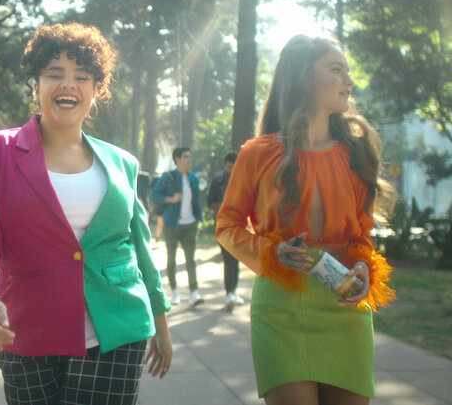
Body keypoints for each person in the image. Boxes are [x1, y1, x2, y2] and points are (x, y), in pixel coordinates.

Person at [0, 22, 172, 405]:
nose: (68, 84)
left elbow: (139, 246)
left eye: (81, 76)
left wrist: (161, 322)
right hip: (26, 329)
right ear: (35, 84)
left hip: (118, 329)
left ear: (96, 90)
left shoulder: (122, 162)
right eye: (55, 74)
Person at [215, 34, 396, 405]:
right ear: (303, 77)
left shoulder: (356, 153)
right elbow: (227, 227)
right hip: (281, 310)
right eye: (336, 70)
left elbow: (363, 235)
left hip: (344, 305)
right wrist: (272, 252)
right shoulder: (258, 153)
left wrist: (363, 266)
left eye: (347, 71)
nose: (349, 81)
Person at [149, 147, 204, 307]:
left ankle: (194, 292)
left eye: (190, 156)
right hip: (172, 224)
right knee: (171, 259)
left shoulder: (193, 178)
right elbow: (154, 195)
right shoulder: (168, 178)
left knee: (190, 259)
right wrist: (171, 199)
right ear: (177, 159)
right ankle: (174, 291)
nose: (189, 159)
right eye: (186, 156)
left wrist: (198, 218)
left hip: (190, 225)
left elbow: (196, 200)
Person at [207, 150, 245, 310]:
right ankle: (229, 293)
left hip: (239, 226)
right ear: (225, 165)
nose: (231, 168)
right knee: (228, 259)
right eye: (229, 166)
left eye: (234, 166)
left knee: (236, 260)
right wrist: (222, 207)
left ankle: (233, 291)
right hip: (222, 226)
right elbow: (210, 201)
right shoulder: (217, 181)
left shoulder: (243, 180)